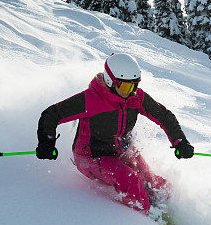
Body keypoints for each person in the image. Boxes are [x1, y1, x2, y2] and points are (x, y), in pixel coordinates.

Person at [36, 53, 194, 214]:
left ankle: (174, 206)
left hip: (121, 150)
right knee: (131, 180)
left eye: (135, 85)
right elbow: (52, 114)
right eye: (126, 86)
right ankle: (147, 217)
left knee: (150, 178)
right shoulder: (91, 99)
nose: (131, 91)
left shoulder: (136, 97)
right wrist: (46, 142)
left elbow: (164, 116)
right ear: (111, 81)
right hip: (92, 157)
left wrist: (180, 142)